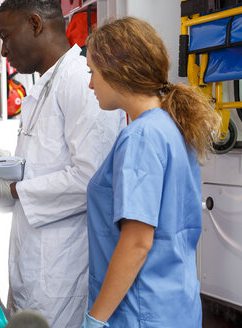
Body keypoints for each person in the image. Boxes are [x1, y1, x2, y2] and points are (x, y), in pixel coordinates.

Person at [0, 0, 127, 327]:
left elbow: (91, 178)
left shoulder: (80, 81)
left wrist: (11, 190)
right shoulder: (46, 84)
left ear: (35, 24)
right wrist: (3, 171)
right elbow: (49, 163)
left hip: (63, 267)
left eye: (6, 37)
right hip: (35, 258)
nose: (3, 50)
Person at [81, 17, 221, 327]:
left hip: (141, 311)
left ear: (118, 70)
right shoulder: (170, 125)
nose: (91, 84)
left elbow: (137, 242)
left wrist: (96, 319)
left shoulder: (141, 137)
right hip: (175, 305)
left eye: (93, 72)